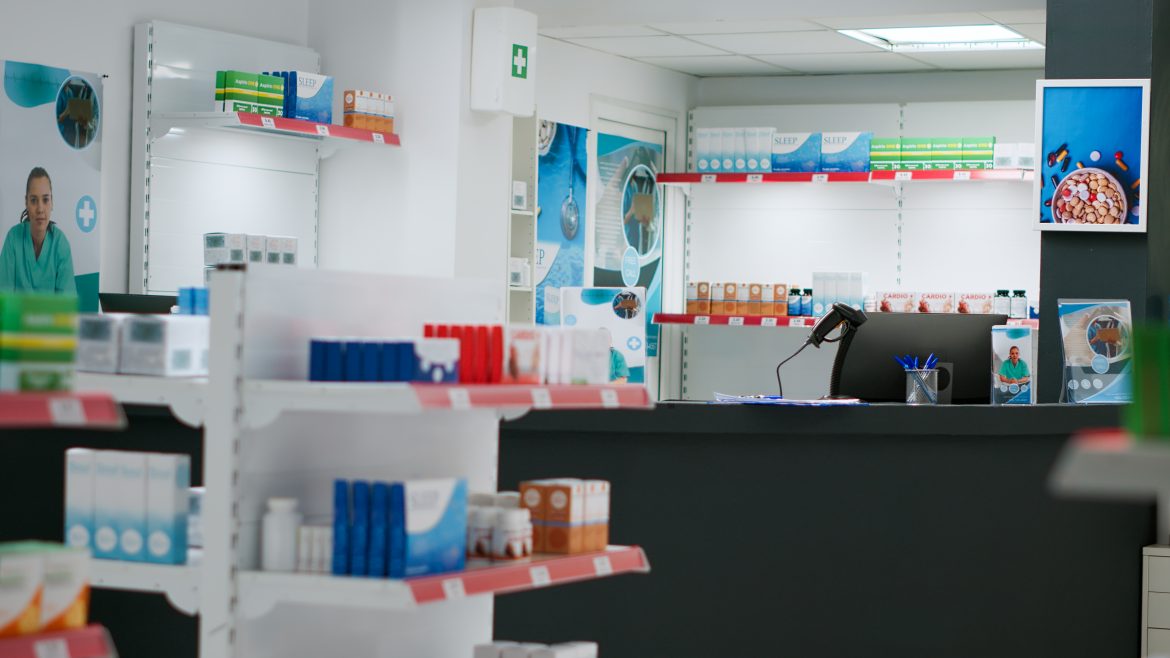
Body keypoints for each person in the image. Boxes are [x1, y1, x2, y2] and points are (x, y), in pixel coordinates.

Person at [0, 167, 76, 294]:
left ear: (52, 203)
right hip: (16, 315)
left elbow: (66, 307)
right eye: (34, 200)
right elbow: (3, 299)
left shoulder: (60, 244)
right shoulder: (13, 239)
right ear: (26, 203)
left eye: (45, 200)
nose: (40, 208)